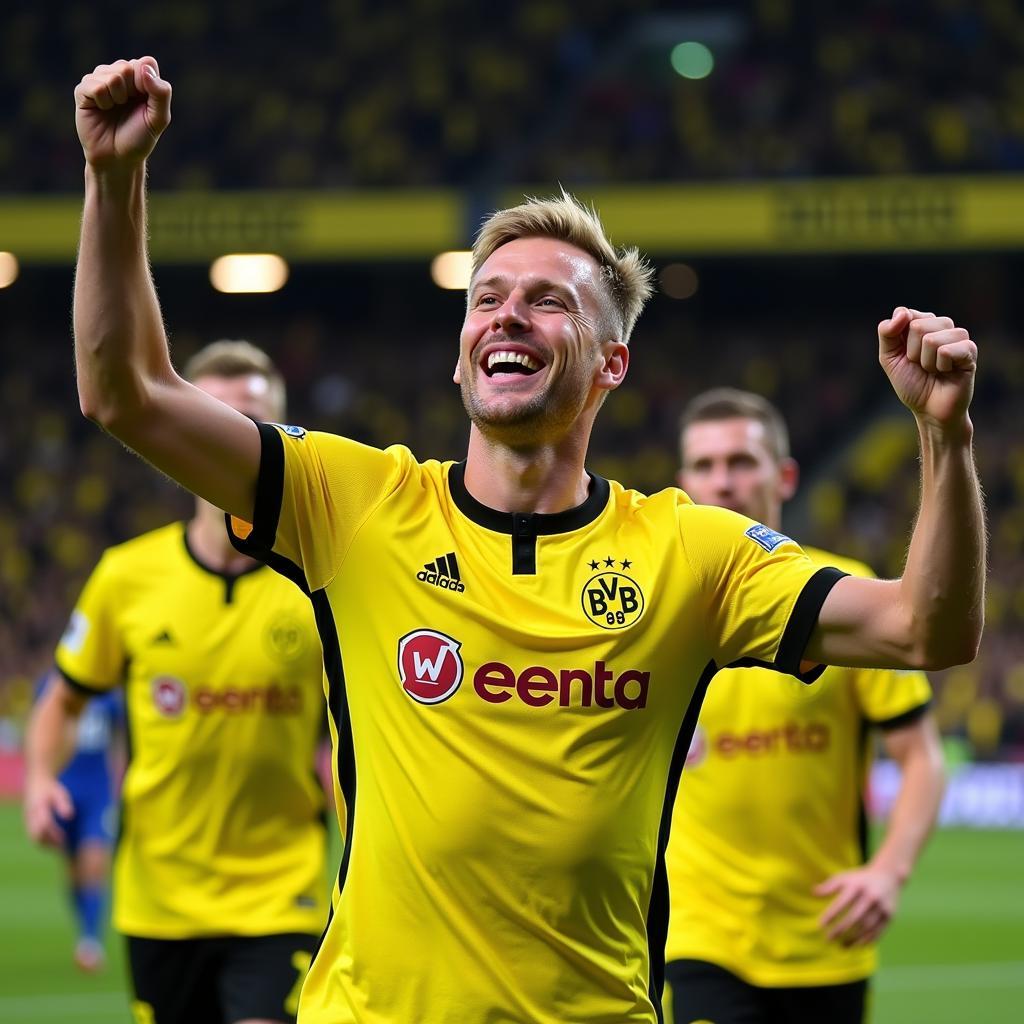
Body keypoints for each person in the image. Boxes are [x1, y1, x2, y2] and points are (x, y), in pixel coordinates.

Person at [68, 56, 985, 1024]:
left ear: (610, 362)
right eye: (487, 295)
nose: (507, 311)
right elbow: (124, 391)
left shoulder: (693, 551)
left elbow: (924, 628)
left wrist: (942, 436)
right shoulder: (357, 502)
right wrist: (114, 177)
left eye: (549, 300)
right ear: (463, 350)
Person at [24, 341, 331, 1024]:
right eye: (213, 418)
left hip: (280, 891)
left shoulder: (319, 587)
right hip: (158, 898)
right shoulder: (127, 578)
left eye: (251, 422)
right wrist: (42, 778)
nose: (230, 439)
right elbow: (64, 695)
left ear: (283, 440)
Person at [663, 388, 947, 1024]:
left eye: (741, 462)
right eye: (705, 467)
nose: (723, 481)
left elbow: (921, 758)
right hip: (702, 937)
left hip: (827, 936)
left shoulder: (844, 602)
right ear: (683, 484)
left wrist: (888, 873)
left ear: (784, 476)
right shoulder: (657, 610)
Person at [32, 668, 123, 973]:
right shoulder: (49, 687)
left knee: (95, 861)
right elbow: (40, 730)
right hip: (65, 788)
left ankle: (90, 941)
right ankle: (84, 927)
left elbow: (121, 738)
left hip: (98, 792)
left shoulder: (109, 695)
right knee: (73, 869)